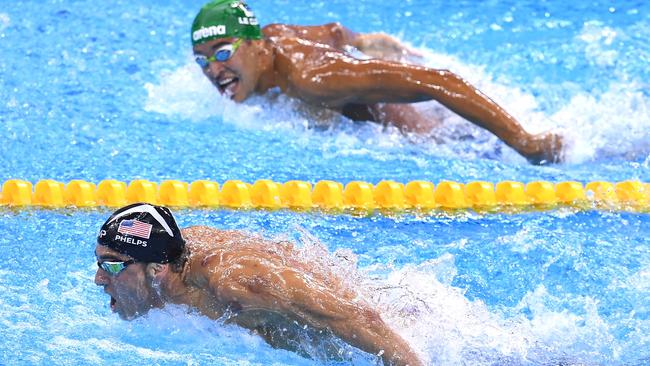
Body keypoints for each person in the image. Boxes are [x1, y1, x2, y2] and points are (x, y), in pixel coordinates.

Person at [190, 0, 564, 165]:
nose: (212, 69)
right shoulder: (274, 36)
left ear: (257, 47)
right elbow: (334, 31)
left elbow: (439, 80)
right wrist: (365, 42)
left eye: (222, 53)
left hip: (439, 139)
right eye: (202, 59)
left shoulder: (312, 78)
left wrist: (524, 142)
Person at [94, 203, 424, 366]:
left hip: (410, 334)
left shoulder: (237, 284)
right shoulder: (172, 254)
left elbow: (360, 318)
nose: (99, 279)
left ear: (157, 270)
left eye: (110, 266)